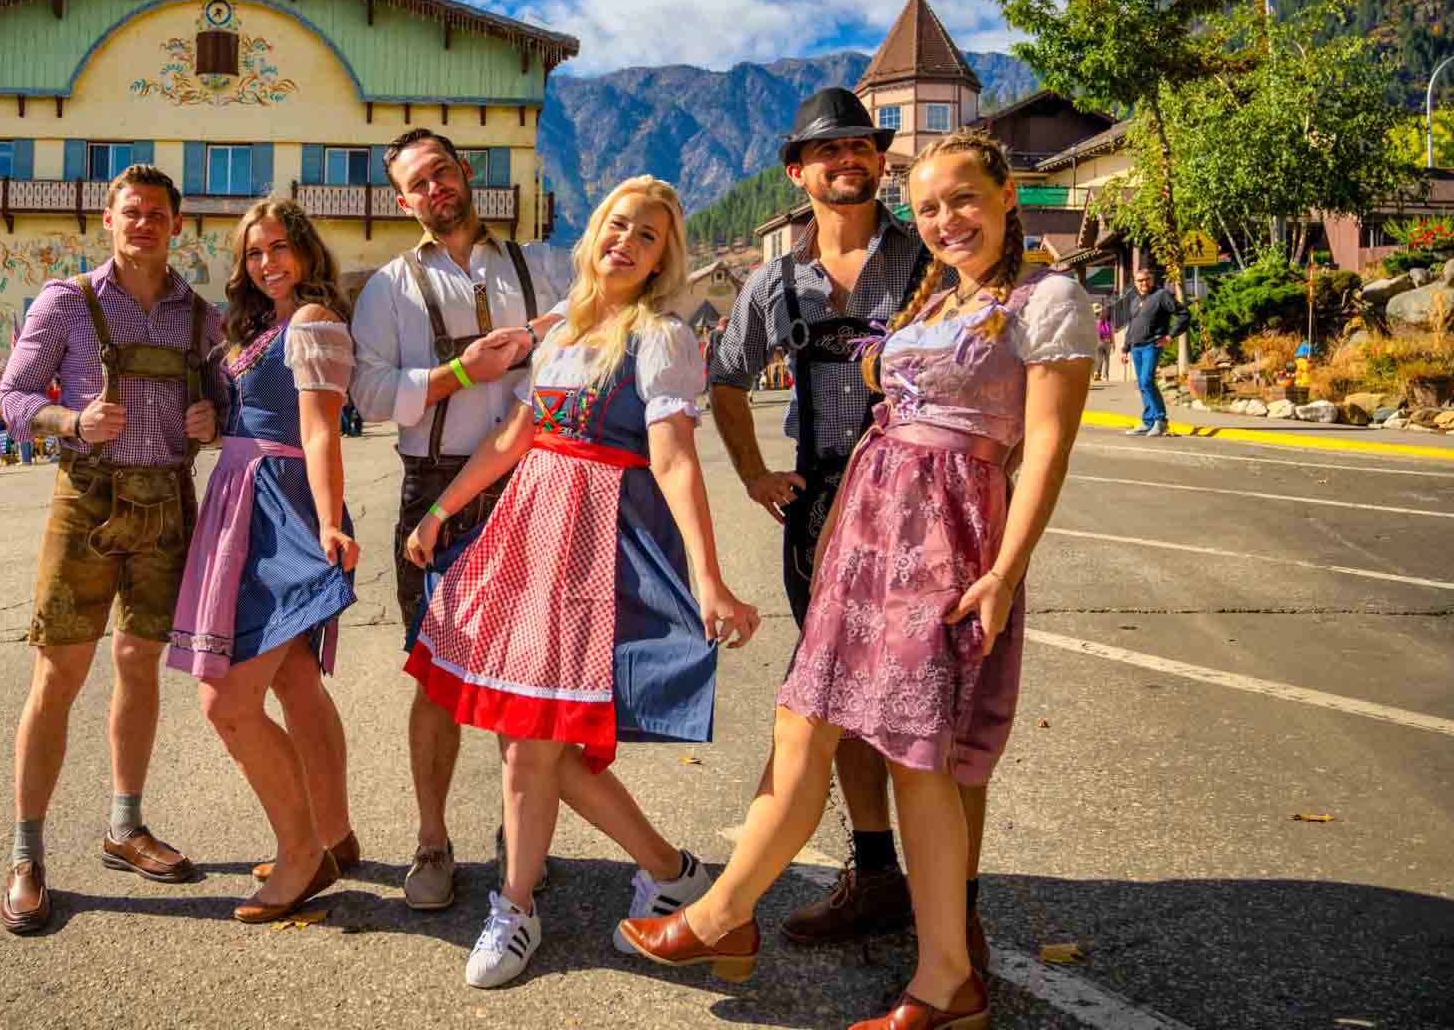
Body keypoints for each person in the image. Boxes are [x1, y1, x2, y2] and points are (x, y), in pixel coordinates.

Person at [621, 129, 1095, 1030]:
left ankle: (938, 975)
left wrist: (1002, 571)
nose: (946, 220)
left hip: (946, 541)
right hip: (864, 536)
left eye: (963, 200)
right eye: (929, 208)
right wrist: (826, 528)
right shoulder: (932, 297)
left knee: (919, 756)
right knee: (809, 722)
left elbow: (1044, 456)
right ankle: (737, 918)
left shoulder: (1049, 299)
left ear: (1005, 199)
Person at [404, 176, 758, 988]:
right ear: (597, 231)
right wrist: (441, 513)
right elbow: (514, 436)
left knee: (533, 743)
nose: (627, 243)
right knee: (538, 744)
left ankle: (516, 906)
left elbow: (672, 458)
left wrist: (709, 577)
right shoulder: (563, 326)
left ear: (665, 256)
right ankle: (670, 870)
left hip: (595, 545)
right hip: (529, 534)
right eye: (619, 226)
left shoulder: (662, 336)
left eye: (649, 236)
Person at [707, 86, 939, 952]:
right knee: (836, 698)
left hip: (923, 508)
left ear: (880, 162)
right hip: (824, 508)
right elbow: (725, 377)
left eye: (862, 147)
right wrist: (755, 473)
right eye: (829, 151)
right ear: (799, 173)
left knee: (925, 695)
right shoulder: (775, 280)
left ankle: (953, 888)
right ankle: (877, 873)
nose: (850, 161)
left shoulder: (927, 262)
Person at [0, 164, 222, 935]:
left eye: (158, 213)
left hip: (168, 505)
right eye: (132, 212)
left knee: (137, 666)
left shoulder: (201, 315)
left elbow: (225, 400)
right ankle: (26, 853)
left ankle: (124, 827)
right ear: (108, 220)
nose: (144, 224)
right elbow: (13, 396)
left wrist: (212, 421)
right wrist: (70, 422)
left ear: (176, 226)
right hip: (86, 501)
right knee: (58, 671)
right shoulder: (67, 302)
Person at [350, 127, 572, 912]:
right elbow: (370, 395)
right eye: (417, 183)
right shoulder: (389, 287)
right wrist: (456, 374)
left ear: (466, 173)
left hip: (531, 483)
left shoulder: (541, 266)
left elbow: (579, 343)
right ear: (404, 202)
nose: (434, 188)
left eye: (442, 171)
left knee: (524, 675)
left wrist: (522, 382)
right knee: (436, 678)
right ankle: (432, 839)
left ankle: (521, 833)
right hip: (433, 486)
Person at [170, 198, 360, 925]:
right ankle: (335, 836)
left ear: (306, 251)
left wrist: (325, 521)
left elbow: (318, 432)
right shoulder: (262, 328)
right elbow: (262, 414)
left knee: (227, 700)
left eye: (280, 247)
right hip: (244, 498)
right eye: (255, 253)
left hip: (281, 510)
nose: (268, 262)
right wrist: (217, 424)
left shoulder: (311, 323)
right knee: (296, 679)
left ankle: (301, 852)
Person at [1120, 267, 1189, 437]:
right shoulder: (1135, 300)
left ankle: (1160, 421)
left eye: (1147, 279)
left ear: (1152, 280)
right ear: (1135, 283)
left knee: (1146, 381)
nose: (1144, 283)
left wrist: (1170, 336)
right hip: (1136, 347)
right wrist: (1125, 348)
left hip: (1152, 345)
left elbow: (1184, 314)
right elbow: (1132, 325)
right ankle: (1148, 421)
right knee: (1142, 385)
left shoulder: (1161, 295)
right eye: (1140, 280)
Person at [1094, 305, 1113, 381]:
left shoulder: (1096, 322)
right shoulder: (1107, 323)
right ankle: (1105, 376)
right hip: (1106, 342)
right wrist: (1113, 343)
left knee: (1100, 359)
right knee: (1106, 360)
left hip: (1100, 342)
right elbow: (1111, 334)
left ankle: (1097, 373)